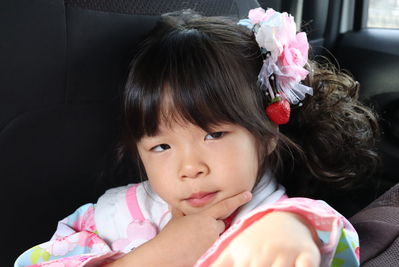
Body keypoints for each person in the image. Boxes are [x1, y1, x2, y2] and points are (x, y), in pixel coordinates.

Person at [15, 7, 379, 267]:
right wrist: (158, 255)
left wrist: (293, 231)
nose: (189, 167)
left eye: (214, 134)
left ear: (268, 134)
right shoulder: (114, 216)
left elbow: (318, 229)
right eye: (161, 146)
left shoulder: (284, 219)